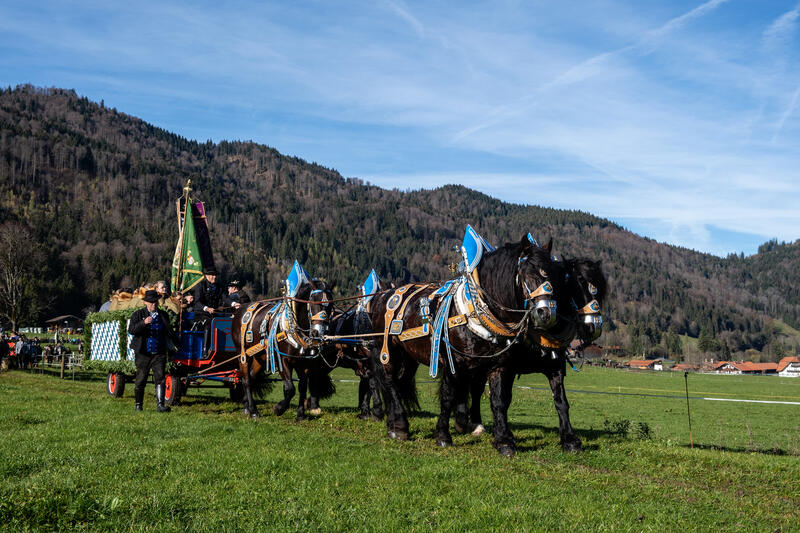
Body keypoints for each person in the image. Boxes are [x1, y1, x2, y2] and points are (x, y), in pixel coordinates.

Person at [128, 289, 178, 412]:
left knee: (160, 379)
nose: (153, 304)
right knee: (141, 379)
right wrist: (143, 323)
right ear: (145, 302)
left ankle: (160, 405)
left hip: (159, 353)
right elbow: (131, 330)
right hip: (143, 353)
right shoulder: (138, 314)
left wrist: (178, 344)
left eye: (155, 302)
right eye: (150, 302)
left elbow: (169, 332)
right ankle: (138, 405)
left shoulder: (163, 315)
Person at [192, 267, 223, 354]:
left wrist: (233, 304)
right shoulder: (200, 286)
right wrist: (207, 308)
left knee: (223, 322)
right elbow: (197, 302)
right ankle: (205, 349)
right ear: (207, 276)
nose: (214, 277)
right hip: (201, 314)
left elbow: (224, 298)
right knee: (209, 323)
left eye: (215, 275)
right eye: (212, 275)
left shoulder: (219, 287)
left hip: (214, 314)